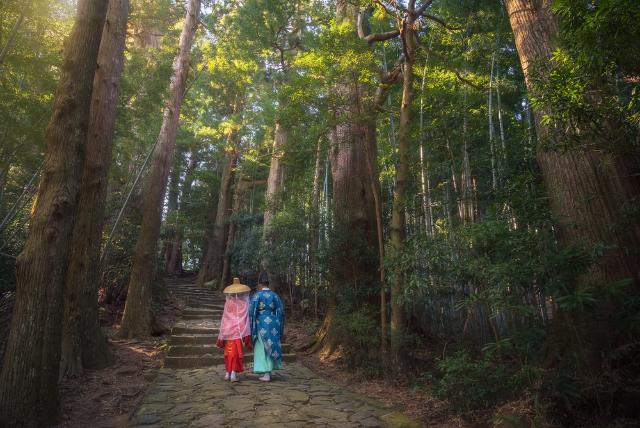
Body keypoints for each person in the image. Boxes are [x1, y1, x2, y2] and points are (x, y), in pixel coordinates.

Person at [249, 271, 285, 382]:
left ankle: (266, 373)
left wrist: (252, 324)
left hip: (261, 323)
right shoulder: (275, 296)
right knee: (271, 345)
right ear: (268, 283)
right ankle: (269, 372)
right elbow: (281, 311)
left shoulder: (257, 296)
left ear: (260, 283)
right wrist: (279, 324)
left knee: (262, 347)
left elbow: (251, 312)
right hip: (273, 323)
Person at [216, 277, 252, 382]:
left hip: (228, 331)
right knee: (235, 353)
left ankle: (228, 373)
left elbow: (225, 317)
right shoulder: (243, 304)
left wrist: (223, 330)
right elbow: (245, 317)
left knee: (228, 353)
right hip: (239, 331)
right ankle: (232, 374)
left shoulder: (228, 303)